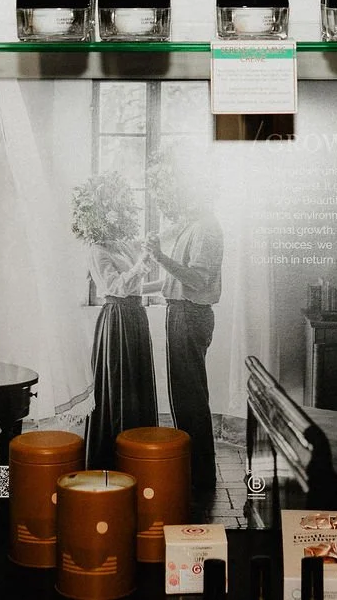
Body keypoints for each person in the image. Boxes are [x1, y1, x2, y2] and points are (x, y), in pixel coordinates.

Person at [150, 177, 223, 491]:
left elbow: (195, 279)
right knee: (183, 395)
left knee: (190, 397)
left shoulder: (205, 228)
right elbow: (178, 282)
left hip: (189, 315)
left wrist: (159, 257)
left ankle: (200, 474)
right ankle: (194, 470)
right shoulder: (194, 225)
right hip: (182, 312)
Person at [85, 232, 157, 468]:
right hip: (118, 319)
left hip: (135, 316)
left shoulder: (122, 245)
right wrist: (139, 264)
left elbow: (134, 285)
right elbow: (115, 286)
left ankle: (137, 455)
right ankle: (114, 458)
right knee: (118, 383)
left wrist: (146, 257)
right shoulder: (97, 250)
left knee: (136, 384)